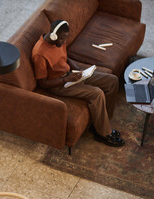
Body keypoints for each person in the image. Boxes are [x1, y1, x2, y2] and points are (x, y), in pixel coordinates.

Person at [31, 19, 125, 147]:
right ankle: (103, 133)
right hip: (58, 85)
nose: (64, 42)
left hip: (71, 75)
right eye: (62, 40)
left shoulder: (58, 41)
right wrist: (66, 79)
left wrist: (78, 69)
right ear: (53, 35)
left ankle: (101, 123)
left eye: (65, 39)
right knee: (97, 93)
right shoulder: (39, 53)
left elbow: (65, 57)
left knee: (112, 81)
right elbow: (43, 84)